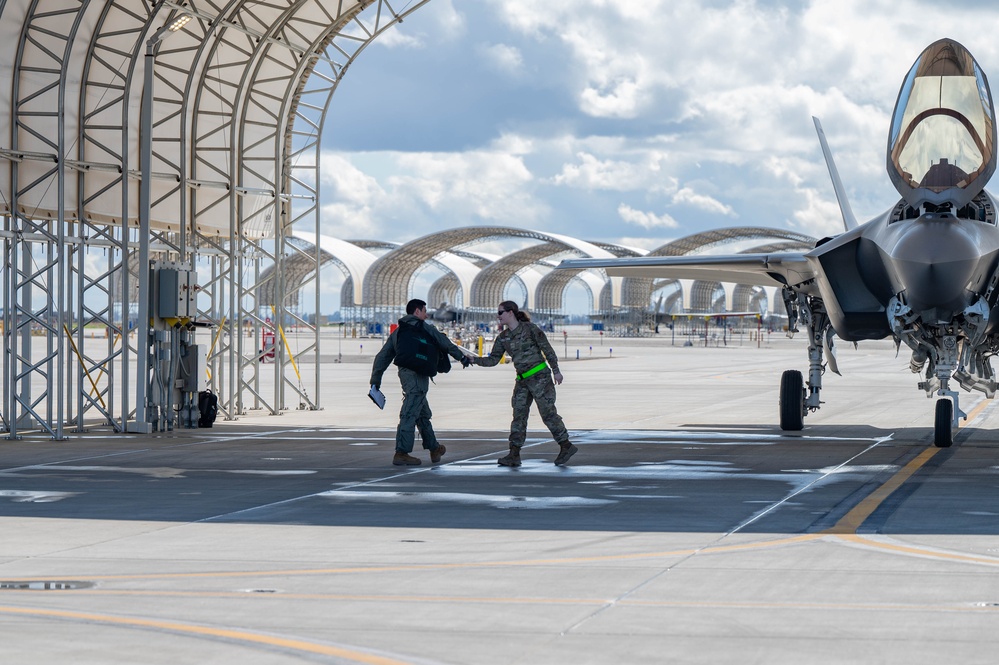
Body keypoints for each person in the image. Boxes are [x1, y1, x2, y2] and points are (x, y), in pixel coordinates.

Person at [471, 301, 577, 467]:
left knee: (548, 414)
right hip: (522, 381)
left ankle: (566, 445)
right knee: (518, 416)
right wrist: (474, 360)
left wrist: (556, 370)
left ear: (510, 313)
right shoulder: (503, 337)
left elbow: (547, 350)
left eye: (500, 313)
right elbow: (493, 360)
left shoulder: (530, 329)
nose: (497, 316)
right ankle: (514, 454)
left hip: (540, 378)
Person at [370, 298, 471, 466]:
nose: (426, 314)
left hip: (405, 375)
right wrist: (462, 357)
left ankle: (434, 448)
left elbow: (382, 357)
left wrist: (375, 381)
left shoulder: (399, 332)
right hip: (418, 376)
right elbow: (445, 343)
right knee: (409, 412)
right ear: (417, 312)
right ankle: (401, 452)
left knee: (422, 413)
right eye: (424, 311)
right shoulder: (425, 328)